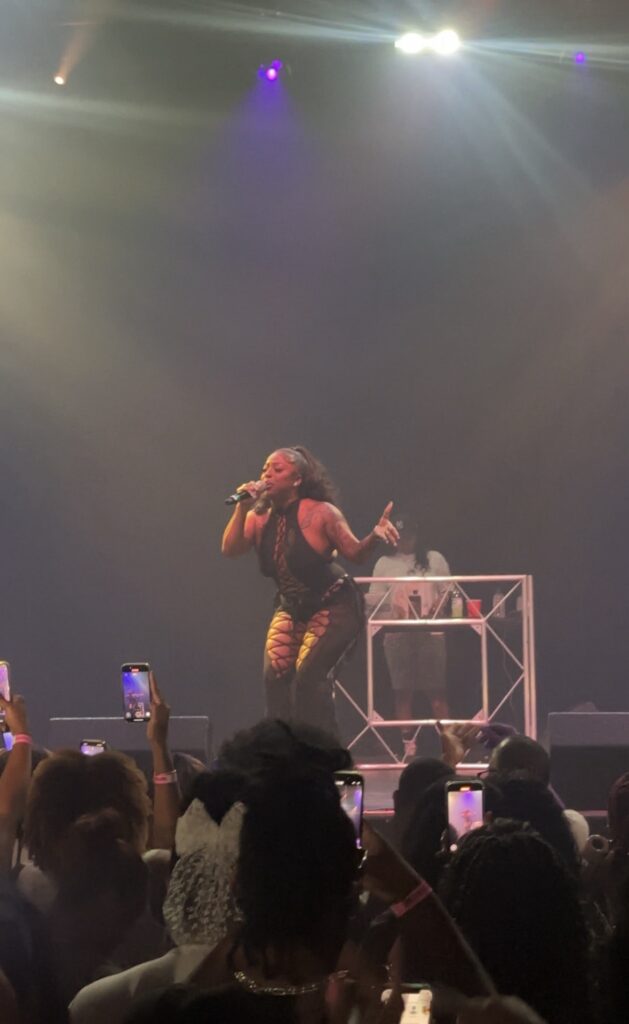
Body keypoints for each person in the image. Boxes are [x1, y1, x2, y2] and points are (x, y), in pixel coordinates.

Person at [222, 446, 399, 733]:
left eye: (277, 469)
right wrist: (242, 507)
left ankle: (322, 751)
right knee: (275, 677)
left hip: (335, 603)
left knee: (309, 677)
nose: (267, 474)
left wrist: (375, 536)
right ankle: (280, 750)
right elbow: (230, 549)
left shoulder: (321, 513)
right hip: (291, 606)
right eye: (265, 468)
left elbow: (356, 554)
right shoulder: (257, 517)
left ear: (297, 479)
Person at [368, 512, 450, 756]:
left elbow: (449, 589)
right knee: (402, 691)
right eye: (400, 536)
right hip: (398, 634)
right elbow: (374, 600)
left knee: (436, 690)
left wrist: (438, 607)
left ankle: (449, 743)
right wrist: (393, 609)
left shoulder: (434, 559)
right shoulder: (384, 563)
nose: (405, 540)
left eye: (409, 535)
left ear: (417, 535)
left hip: (430, 632)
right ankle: (408, 745)